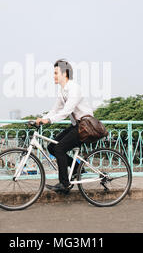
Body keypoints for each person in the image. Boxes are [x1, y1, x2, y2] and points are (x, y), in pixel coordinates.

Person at [35, 59, 93, 194]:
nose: (53, 76)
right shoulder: (62, 91)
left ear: (64, 73)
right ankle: (78, 168)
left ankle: (64, 183)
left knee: (60, 149)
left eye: (56, 73)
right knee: (51, 147)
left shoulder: (74, 88)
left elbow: (66, 111)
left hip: (85, 127)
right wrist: (41, 119)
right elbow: (55, 110)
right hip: (76, 126)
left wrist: (48, 121)